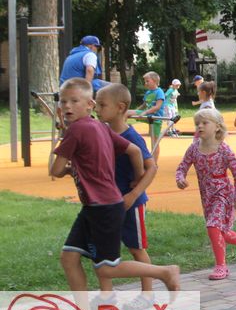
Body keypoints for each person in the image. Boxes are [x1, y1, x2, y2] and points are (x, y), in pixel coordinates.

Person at [49, 78, 180, 295]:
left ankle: (163, 274)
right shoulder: (101, 127)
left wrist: (135, 188)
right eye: (63, 102)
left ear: (89, 104)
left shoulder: (79, 130)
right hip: (100, 205)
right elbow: (132, 152)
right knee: (72, 257)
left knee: (111, 265)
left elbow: (55, 170)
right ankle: (94, 305)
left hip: (110, 205)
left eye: (74, 101)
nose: (67, 106)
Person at [95, 83, 159, 310]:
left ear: (120, 107)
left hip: (130, 204)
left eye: (102, 105)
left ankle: (148, 294)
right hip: (107, 204)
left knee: (136, 249)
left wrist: (133, 194)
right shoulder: (101, 132)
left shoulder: (131, 136)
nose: (97, 109)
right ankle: (106, 296)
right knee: (102, 250)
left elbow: (151, 168)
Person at [175, 108, 236, 280]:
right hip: (207, 196)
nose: (200, 126)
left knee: (213, 227)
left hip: (224, 194)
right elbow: (182, 167)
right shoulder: (194, 148)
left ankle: (221, 266)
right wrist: (180, 178)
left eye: (205, 123)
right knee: (220, 232)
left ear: (217, 127)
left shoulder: (224, 149)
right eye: (197, 123)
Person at [135, 71, 167, 162]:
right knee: (128, 112)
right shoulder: (148, 92)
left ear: (155, 81)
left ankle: (154, 162)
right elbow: (144, 105)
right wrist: (136, 111)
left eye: (147, 81)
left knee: (155, 141)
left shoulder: (159, 92)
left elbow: (157, 107)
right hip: (148, 115)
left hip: (155, 118)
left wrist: (144, 112)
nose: (145, 83)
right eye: (145, 81)